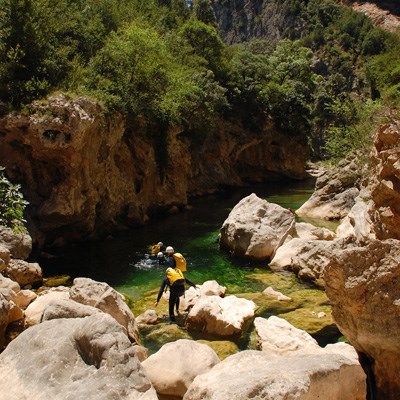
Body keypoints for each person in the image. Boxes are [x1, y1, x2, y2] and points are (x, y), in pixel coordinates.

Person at [153, 252, 197, 322]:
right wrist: (194, 285)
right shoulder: (178, 275)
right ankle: (177, 310)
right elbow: (187, 281)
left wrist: (157, 301)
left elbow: (161, 290)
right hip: (182, 292)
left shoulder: (166, 279)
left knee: (171, 306)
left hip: (174, 293)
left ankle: (173, 321)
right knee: (177, 297)